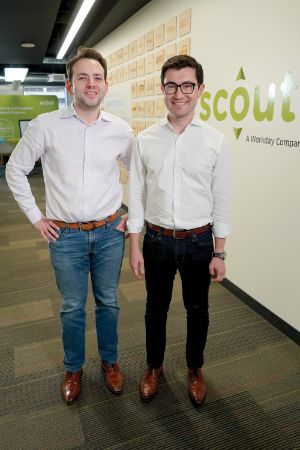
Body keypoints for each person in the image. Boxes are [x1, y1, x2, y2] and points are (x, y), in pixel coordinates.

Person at [6, 47, 133, 404]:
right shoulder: (45, 126)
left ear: (106, 86)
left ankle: (110, 363)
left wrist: (134, 214)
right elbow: (15, 170)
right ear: (69, 85)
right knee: (72, 307)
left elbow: (142, 172)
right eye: (83, 77)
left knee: (109, 302)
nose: (90, 84)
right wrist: (35, 217)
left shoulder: (120, 130)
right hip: (65, 237)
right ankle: (73, 368)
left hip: (110, 233)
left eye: (97, 78)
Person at [128, 55, 231, 406]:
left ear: (200, 89)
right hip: (156, 240)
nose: (179, 94)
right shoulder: (145, 140)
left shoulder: (215, 141)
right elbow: (136, 197)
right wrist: (135, 245)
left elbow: (222, 198)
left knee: (197, 309)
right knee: (154, 309)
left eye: (187, 85)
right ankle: (153, 367)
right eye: (172, 86)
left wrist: (219, 252)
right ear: (163, 89)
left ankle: (194, 369)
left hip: (200, 241)